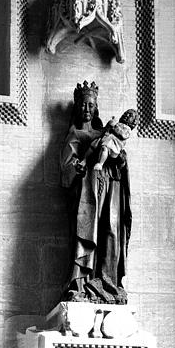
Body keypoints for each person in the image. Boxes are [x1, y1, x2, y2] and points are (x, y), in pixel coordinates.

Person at [60, 81, 132, 304]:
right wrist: (76, 168)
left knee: (110, 231)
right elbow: (66, 169)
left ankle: (107, 283)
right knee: (87, 234)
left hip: (110, 188)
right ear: (77, 107)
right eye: (83, 104)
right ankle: (81, 284)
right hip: (86, 195)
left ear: (96, 107)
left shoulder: (105, 133)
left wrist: (120, 159)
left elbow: (119, 158)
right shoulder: (74, 135)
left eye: (91, 105)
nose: (87, 109)